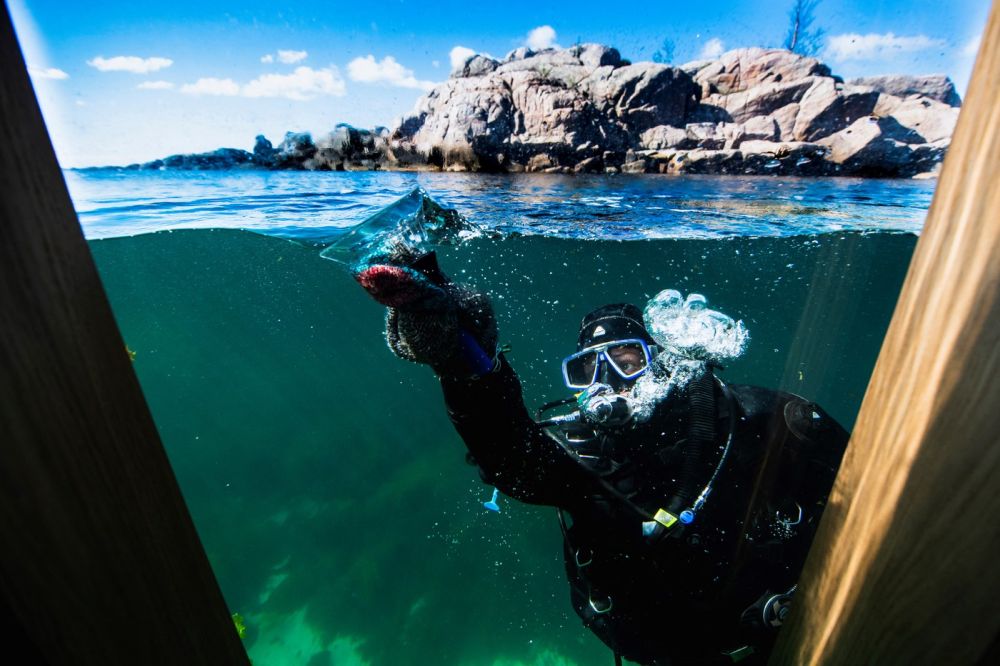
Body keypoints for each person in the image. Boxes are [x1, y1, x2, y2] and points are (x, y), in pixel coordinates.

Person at [356, 250, 849, 666]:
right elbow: (506, 452)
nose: (609, 379)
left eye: (628, 360)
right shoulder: (577, 456)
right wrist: (463, 362)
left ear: (666, 359)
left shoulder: (759, 419)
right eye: (588, 368)